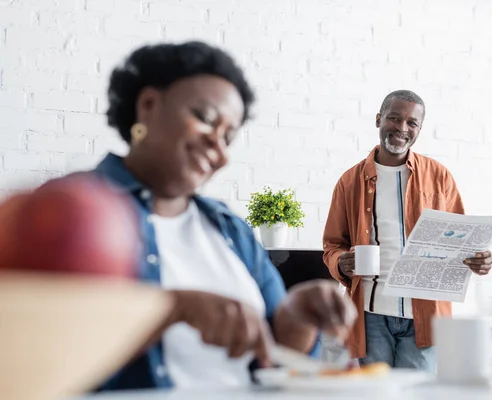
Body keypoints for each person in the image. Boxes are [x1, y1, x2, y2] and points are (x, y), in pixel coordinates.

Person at [78, 41, 357, 391]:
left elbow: (277, 357)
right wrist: (172, 309)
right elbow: (36, 343)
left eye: (229, 136)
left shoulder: (230, 230)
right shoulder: (73, 208)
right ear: (148, 105)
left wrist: (298, 315)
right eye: (205, 119)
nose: (220, 150)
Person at [322, 90, 492, 371]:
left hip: (426, 314)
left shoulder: (439, 176)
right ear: (379, 119)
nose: (402, 128)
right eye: (394, 118)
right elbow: (332, 245)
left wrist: (479, 260)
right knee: (377, 393)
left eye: (412, 123)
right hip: (370, 314)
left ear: (420, 129)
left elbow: (464, 239)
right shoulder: (350, 181)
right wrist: (340, 261)